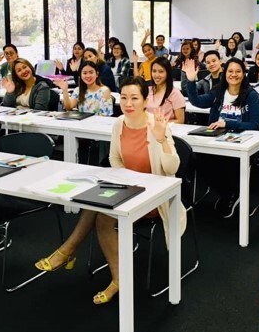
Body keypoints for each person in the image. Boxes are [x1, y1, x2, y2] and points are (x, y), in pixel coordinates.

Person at [35, 76, 186, 305]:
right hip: (127, 188)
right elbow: (115, 158)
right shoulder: (119, 124)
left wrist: (162, 139)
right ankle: (110, 274)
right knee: (95, 205)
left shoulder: (156, 124)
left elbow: (172, 168)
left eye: (134, 98)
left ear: (145, 101)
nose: (128, 103)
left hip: (155, 197)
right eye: (124, 98)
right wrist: (125, 179)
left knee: (101, 216)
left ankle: (71, 253)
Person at [184, 57, 259, 217]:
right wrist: (191, 81)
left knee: (227, 163)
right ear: (225, 73)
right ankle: (228, 193)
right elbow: (197, 101)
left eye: (238, 71)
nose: (234, 74)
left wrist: (227, 123)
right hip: (215, 140)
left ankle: (231, 193)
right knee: (199, 160)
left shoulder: (251, 95)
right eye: (230, 71)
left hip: (240, 141)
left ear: (243, 74)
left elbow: (254, 124)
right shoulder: (218, 92)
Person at [147, 57, 185, 123]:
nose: (156, 75)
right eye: (154, 71)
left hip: (166, 128)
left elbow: (180, 120)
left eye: (161, 71)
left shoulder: (174, 93)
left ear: (168, 73)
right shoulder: (147, 90)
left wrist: (160, 123)